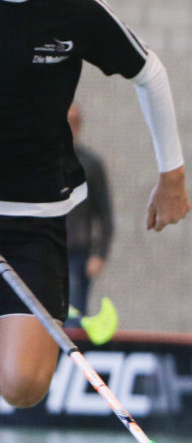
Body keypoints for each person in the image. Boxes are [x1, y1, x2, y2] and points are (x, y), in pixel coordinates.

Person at [0, 0, 190, 409]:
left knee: (24, 385)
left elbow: (149, 73)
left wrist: (172, 174)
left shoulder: (73, 6)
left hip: (35, 220)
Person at [64, 103, 114, 316]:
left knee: (73, 314)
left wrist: (99, 254)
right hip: (45, 249)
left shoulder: (90, 164)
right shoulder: (43, 162)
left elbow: (105, 214)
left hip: (77, 252)